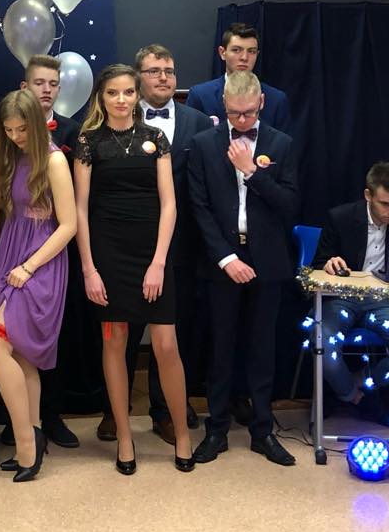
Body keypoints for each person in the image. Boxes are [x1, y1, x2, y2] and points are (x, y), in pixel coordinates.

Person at [74, 64, 194, 474]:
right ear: (101, 97)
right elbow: (79, 210)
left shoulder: (155, 138)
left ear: (137, 95)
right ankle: (124, 438)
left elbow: (169, 204)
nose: (121, 100)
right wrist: (89, 269)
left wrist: (159, 262)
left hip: (152, 253)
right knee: (115, 341)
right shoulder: (88, 142)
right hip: (108, 254)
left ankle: (182, 435)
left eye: (128, 92)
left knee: (166, 345)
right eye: (113, 93)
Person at [188, 71, 299, 467]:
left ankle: (263, 430)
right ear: (223, 105)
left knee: (262, 347)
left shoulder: (281, 144)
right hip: (221, 260)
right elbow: (198, 207)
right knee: (221, 347)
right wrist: (226, 258)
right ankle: (216, 428)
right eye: (234, 113)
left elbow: (289, 205)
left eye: (248, 113)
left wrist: (252, 173)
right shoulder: (204, 144)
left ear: (261, 104)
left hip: (267, 259)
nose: (241, 120)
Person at [110, 43, 210, 446]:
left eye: (169, 70)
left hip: (182, 243)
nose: (164, 77)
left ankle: (165, 410)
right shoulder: (116, 120)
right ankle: (114, 410)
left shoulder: (198, 122)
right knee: (122, 328)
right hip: (125, 242)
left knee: (170, 332)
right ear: (138, 78)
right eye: (154, 71)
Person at [0, 89, 77, 482]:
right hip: (11, 253)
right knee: (20, 355)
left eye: (22, 129)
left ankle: (25, 444)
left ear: (36, 125)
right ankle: (34, 433)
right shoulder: (11, 157)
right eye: (8, 130)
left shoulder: (54, 160)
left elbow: (69, 225)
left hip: (41, 261)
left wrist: (29, 266)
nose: (16, 136)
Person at [11, 54, 85, 450]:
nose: (46, 90)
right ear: (25, 87)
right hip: (15, 242)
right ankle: (21, 420)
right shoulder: (9, 135)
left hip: (54, 247)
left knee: (51, 333)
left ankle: (50, 416)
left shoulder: (73, 132)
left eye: (53, 84)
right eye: (39, 83)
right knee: (11, 336)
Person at [312, 162, 389, 414]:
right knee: (323, 345)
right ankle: (352, 396)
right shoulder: (341, 217)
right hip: (340, 299)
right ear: (368, 195)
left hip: (384, 301)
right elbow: (318, 264)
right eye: (385, 204)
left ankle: (362, 381)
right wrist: (329, 264)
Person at [185, 23, 292, 135]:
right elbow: (190, 142)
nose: (244, 57)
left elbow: (283, 144)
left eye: (251, 51)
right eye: (236, 50)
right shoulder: (200, 96)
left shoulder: (276, 100)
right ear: (222, 53)